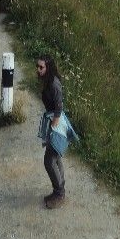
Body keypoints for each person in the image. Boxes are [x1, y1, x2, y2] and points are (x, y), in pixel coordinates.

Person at [37, 55, 66, 207]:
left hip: (56, 124)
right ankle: (60, 190)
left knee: (49, 160)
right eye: (38, 66)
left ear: (48, 68)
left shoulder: (54, 84)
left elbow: (59, 107)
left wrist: (53, 130)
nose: (38, 69)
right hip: (52, 121)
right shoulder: (48, 81)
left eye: (41, 67)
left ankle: (59, 193)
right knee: (55, 158)